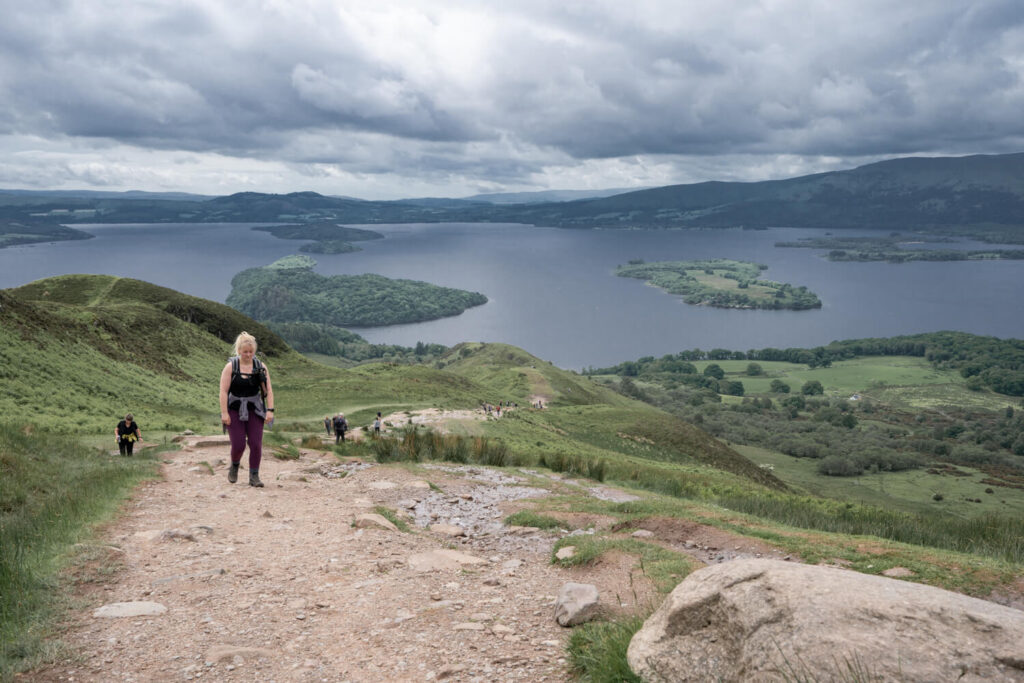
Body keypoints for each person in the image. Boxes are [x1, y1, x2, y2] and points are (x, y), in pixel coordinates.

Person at [219, 331, 274, 488]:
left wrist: (270, 410)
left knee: (256, 444)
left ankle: (254, 476)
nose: (248, 355)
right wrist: (224, 413)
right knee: (238, 444)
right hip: (234, 409)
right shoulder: (231, 367)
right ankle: (235, 465)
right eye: (245, 352)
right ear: (239, 351)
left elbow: (269, 390)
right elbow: (223, 391)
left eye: (251, 352)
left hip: (255, 410)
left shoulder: (260, 367)